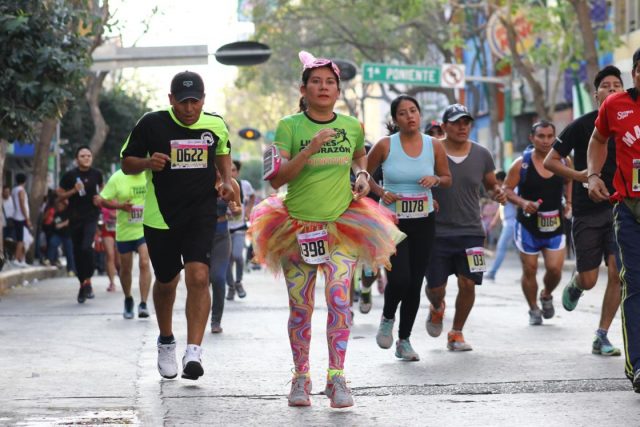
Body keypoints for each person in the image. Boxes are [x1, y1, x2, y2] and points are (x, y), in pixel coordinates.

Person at [250, 51, 403, 408]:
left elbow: (358, 157)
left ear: (337, 89)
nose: (323, 87)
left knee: (339, 301)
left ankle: (337, 378)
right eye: (315, 82)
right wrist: (310, 149)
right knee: (301, 308)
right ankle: (300, 377)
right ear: (303, 90)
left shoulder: (352, 125)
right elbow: (275, 180)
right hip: (296, 228)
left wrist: (363, 175)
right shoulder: (289, 127)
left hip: (342, 226)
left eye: (329, 82)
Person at [121, 70, 235, 381]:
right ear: (171, 100)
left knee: (199, 276)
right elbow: (126, 161)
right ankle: (167, 340)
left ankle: (194, 352)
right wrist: (147, 163)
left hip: (201, 213)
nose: (189, 108)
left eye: (194, 102)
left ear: (203, 100)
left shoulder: (215, 124)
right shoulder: (151, 123)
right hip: (161, 217)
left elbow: (223, 154)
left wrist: (226, 182)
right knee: (167, 281)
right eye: (183, 102)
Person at [544, 65, 623, 356]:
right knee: (590, 279)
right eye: (606, 85)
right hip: (588, 211)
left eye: (617, 85)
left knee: (617, 273)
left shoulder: (630, 123)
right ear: (596, 94)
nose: (612, 89)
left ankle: (601, 335)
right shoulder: (582, 125)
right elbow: (551, 161)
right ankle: (578, 284)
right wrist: (582, 176)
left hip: (621, 208)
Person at [367, 95, 451, 361]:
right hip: (392, 221)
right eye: (403, 113)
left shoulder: (434, 145)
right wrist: (382, 191)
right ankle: (388, 317)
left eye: (413, 111)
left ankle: (404, 340)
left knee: (415, 283)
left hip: (424, 220)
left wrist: (436, 178)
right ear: (395, 119)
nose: (410, 116)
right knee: (400, 277)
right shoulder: (384, 145)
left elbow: (448, 178)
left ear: (420, 114)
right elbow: (362, 175)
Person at [425, 103, 506, 351]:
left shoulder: (482, 154)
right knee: (436, 288)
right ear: (444, 126)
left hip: (471, 231)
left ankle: (457, 332)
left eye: (466, 122)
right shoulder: (430, 151)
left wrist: (497, 193)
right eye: (457, 122)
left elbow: (491, 184)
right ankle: (437, 307)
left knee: (468, 283)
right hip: (436, 232)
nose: (462, 127)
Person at [587, 47, 640, 392]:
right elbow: (597, 140)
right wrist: (592, 175)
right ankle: (638, 366)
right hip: (630, 210)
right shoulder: (615, 105)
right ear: (634, 73)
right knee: (635, 286)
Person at [503, 121, 571, 326]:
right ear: (532, 139)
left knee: (555, 270)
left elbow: (570, 181)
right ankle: (533, 308)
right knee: (530, 269)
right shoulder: (521, 164)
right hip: (527, 227)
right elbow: (505, 189)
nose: (546, 140)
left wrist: (569, 202)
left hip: (555, 224)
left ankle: (547, 294)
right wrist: (523, 202)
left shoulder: (564, 161)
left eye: (550, 136)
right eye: (541, 136)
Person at [98, 169, 152, 319]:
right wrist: (120, 206)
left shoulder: (149, 174)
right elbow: (103, 199)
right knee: (125, 268)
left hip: (145, 228)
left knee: (144, 262)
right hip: (125, 231)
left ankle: (143, 303)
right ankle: (128, 298)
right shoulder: (117, 177)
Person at [57, 146, 103, 303]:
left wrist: (101, 199)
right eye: (83, 156)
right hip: (75, 218)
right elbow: (59, 196)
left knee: (86, 247)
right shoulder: (70, 175)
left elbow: (102, 192)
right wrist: (73, 191)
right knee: (77, 252)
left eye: (89, 155)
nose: (86, 158)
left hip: (91, 217)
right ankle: (83, 284)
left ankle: (88, 280)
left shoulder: (97, 174)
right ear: (77, 159)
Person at [210, 173, 241, 333]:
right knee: (199, 280)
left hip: (221, 235)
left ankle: (216, 320)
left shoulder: (231, 183)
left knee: (218, 278)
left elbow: (238, 210)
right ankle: (197, 317)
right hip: (199, 235)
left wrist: (234, 209)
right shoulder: (199, 179)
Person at [225, 160, 255, 301]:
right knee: (227, 259)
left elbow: (252, 196)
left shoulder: (244, 185)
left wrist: (248, 211)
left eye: (234, 170)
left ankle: (239, 282)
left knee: (237, 255)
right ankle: (231, 286)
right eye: (228, 169)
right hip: (223, 228)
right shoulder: (219, 184)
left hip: (239, 227)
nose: (231, 173)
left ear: (238, 172)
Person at [485, 171, 517, 280]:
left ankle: (492, 272)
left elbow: (517, 203)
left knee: (501, 246)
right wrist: (494, 221)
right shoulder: (502, 190)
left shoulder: (510, 189)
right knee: (520, 249)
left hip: (512, 223)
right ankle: (529, 271)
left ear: (499, 180)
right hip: (508, 222)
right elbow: (501, 207)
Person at [46, 198, 75, 274]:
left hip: (67, 235)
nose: (59, 207)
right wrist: (64, 223)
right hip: (58, 234)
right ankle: (50, 259)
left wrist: (65, 223)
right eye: (58, 205)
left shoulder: (68, 212)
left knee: (69, 253)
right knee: (52, 243)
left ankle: (71, 269)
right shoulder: (57, 214)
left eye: (60, 205)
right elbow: (57, 226)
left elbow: (69, 221)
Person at [11, 173, 31, 267]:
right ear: (25, 181)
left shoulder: (14, 190)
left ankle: (21, 259)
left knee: (24, 239)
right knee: (21, 239)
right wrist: (27, 218)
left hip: (16, 216)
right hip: (21, 218)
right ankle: (17, 258)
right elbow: (22, 204)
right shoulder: (21, 190)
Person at [99, 206, 119, 292]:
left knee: (119, 261)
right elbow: (100, 211)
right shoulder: (104, 195)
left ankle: (122, 276)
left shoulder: (122, 195)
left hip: (121, 229)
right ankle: (112, 283)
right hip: (107, 229)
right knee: (110, 255)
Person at [3, 185, 16, 262]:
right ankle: (4, 256)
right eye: (5, 192)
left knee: (12, 241)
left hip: (12, 223)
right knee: (3, 241)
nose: (7, 193)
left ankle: (11, 255)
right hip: (3, 224)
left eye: (8, 192)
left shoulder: (12, 200)